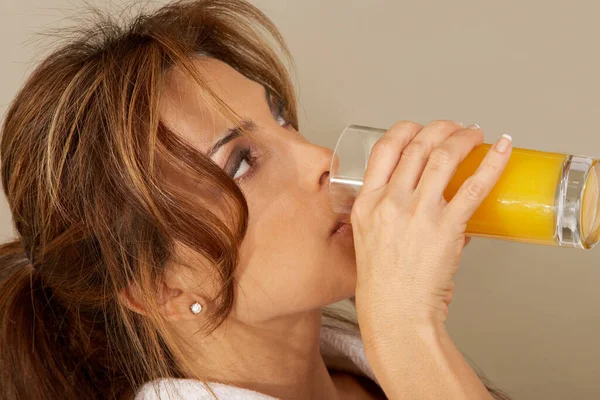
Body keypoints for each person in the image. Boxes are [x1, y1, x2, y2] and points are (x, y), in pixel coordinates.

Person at [0, 0, 513, 399]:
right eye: (242, 161)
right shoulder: (405, 352)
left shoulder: (380, 377)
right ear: (162, 288)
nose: (320, 158)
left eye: (283, 119)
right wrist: (408, 337)